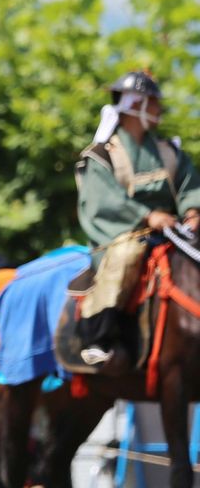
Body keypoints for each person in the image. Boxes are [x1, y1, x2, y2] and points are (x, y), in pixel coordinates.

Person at [75, 71, 200, 372]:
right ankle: (101, 337)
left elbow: (188, 185)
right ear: (135, 104)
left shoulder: (168, 151)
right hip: (128, 232)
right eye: (154, 103)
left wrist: (193, 211)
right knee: (126, 255)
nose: (159, 110)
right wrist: (147, 216)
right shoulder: (104, 154)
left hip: (173, 230)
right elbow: (103, 200)